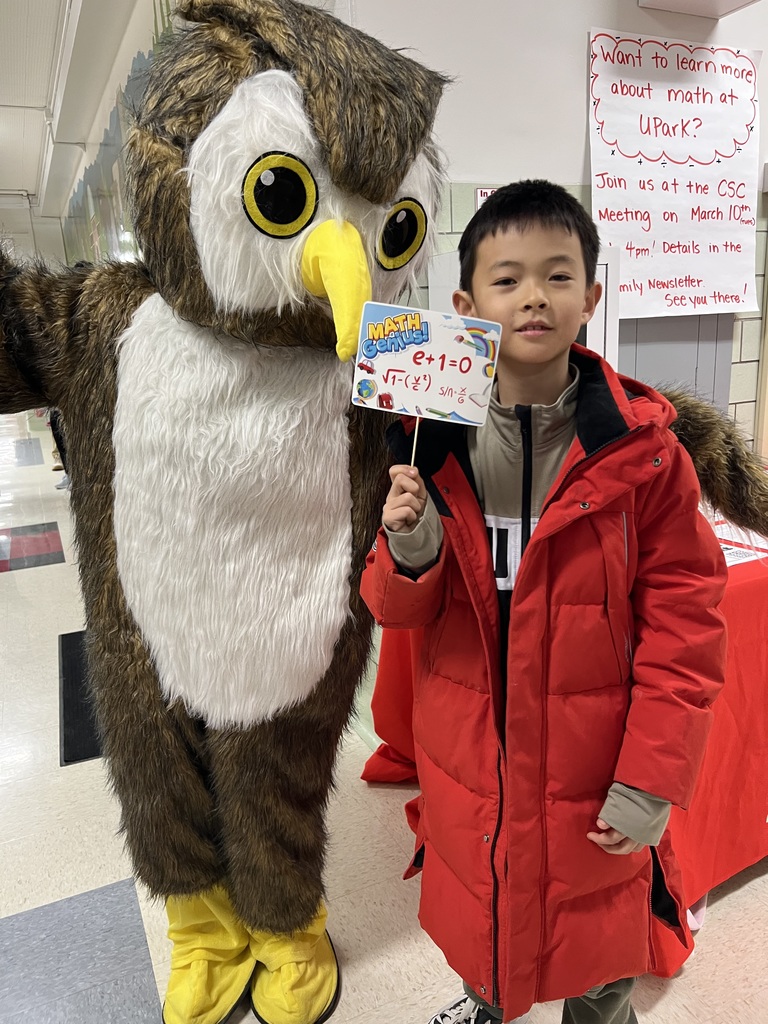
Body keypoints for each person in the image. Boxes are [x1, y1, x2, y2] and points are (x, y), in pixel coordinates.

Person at [360, 180, 728, 1024]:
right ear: (466, 304)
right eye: (507, 278)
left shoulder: (645, 456)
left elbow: (687, 631)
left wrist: (651, 779)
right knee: (483, 909)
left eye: (558, 277)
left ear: (591, 297)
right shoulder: (429, 443)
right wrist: (410, 548)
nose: (534, 296)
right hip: (471, 759)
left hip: (593, 769)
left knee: (596, 944)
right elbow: (396, 612)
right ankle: (486, 1001)